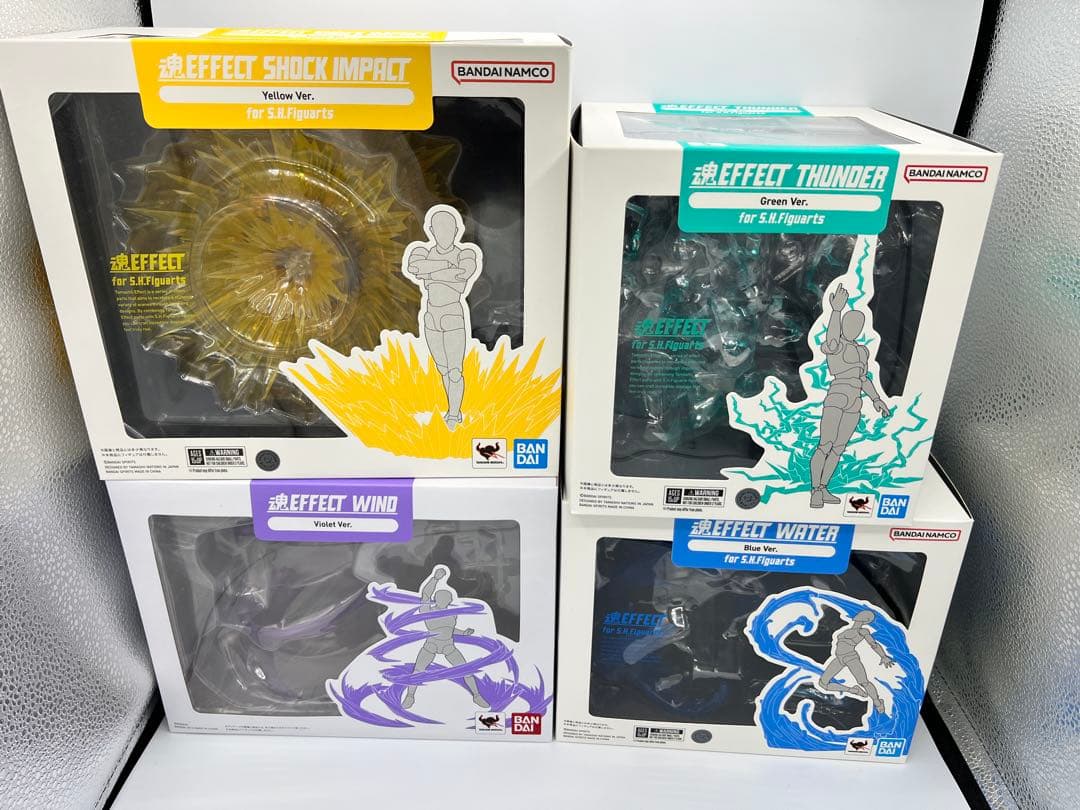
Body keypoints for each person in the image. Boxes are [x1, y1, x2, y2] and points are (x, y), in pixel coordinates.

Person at [809, 283, 890, 508]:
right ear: (844, 325)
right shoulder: (837, 345)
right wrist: (836, 311)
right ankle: (814, 491)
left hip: (855, 399)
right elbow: (832, 338)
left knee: (838, 448)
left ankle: (823, 487)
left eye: (858, 324)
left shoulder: (862, 350)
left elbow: (864, 378)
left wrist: (876, 399)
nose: (854, 327)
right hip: (838, 394)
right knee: (825, 444)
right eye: (851, 323)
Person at [403, 206, 481, 429]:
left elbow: (463, 272)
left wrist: (430, 273)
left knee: (455, 370)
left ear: (457, 230)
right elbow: (414, 267)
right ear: (431, 230)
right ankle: (453, 408)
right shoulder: (421, 251)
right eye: (439, 228)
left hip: (452, 314)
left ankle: (454, 415)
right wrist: (446, 266)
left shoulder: (466, 253)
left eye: (448, 228)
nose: (444, 233)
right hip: (431, 316)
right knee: (443, 369)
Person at [401, 565, 490, 710]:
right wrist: (435, 579)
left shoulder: (452, 614)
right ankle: (410, 696)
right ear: (436, 599)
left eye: (446, 598)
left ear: (449, 600)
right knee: (418, 671)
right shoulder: (427, 610)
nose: (444, 600)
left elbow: (450, 629)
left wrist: (464, 632)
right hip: (431, 645)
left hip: (448, 645)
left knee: (466, 670)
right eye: (441, 597)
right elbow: (425, 595)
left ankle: (477, 696)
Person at [817, 609, 895, 713]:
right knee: (823, 683)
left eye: (864, 615)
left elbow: (874, 644)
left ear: (866, 619)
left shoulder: (863, 631)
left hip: (851, 658)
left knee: (864, 682)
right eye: (861, 613)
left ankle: (878, 702)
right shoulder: (846, 629)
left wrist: (883, 656)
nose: (859, 615)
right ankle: (853, 690)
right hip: (839, 658)